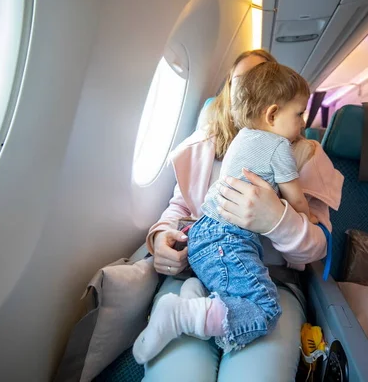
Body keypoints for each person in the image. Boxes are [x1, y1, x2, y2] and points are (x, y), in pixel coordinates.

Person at [141, 49, 343, 382]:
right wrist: (161, 238)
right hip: (196, 271)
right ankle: (185, 308)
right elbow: (178, 208)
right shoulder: (206, 144)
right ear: (229, 90)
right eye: (243, 82)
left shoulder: (303, 153)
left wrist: (277, 220)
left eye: (265, 79)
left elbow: (318, 245)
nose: (255, 89)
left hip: (272, 280)